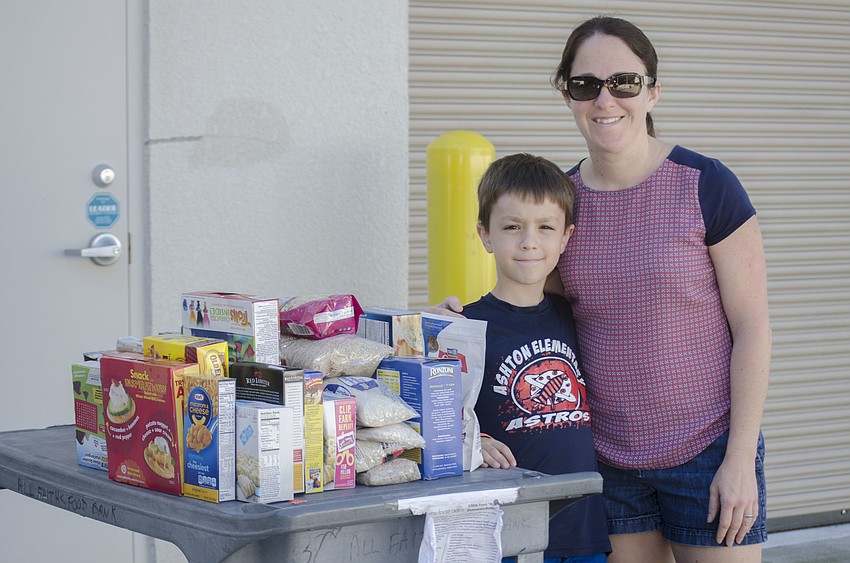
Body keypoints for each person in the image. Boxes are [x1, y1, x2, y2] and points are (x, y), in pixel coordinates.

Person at [429, 16, 771, 563]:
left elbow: (753, 329)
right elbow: (533, 309)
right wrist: (455, 324)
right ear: (567, 95)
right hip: (608, 461)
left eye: (625, 82)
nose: (605, 98)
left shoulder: (706, 185)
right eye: (586, 84)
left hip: (707, 450)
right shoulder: (560, 205)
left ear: (652, 90)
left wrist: (738, 459)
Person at [462, 152, 610, 563]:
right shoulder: (465, 327)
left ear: (566, 238)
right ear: (485, 235)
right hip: (509, 535)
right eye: (512, 227)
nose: (529, 241)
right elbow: (439, 419)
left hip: (583, 528)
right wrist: (476, 442)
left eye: (546, 227)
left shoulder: (576, 315)